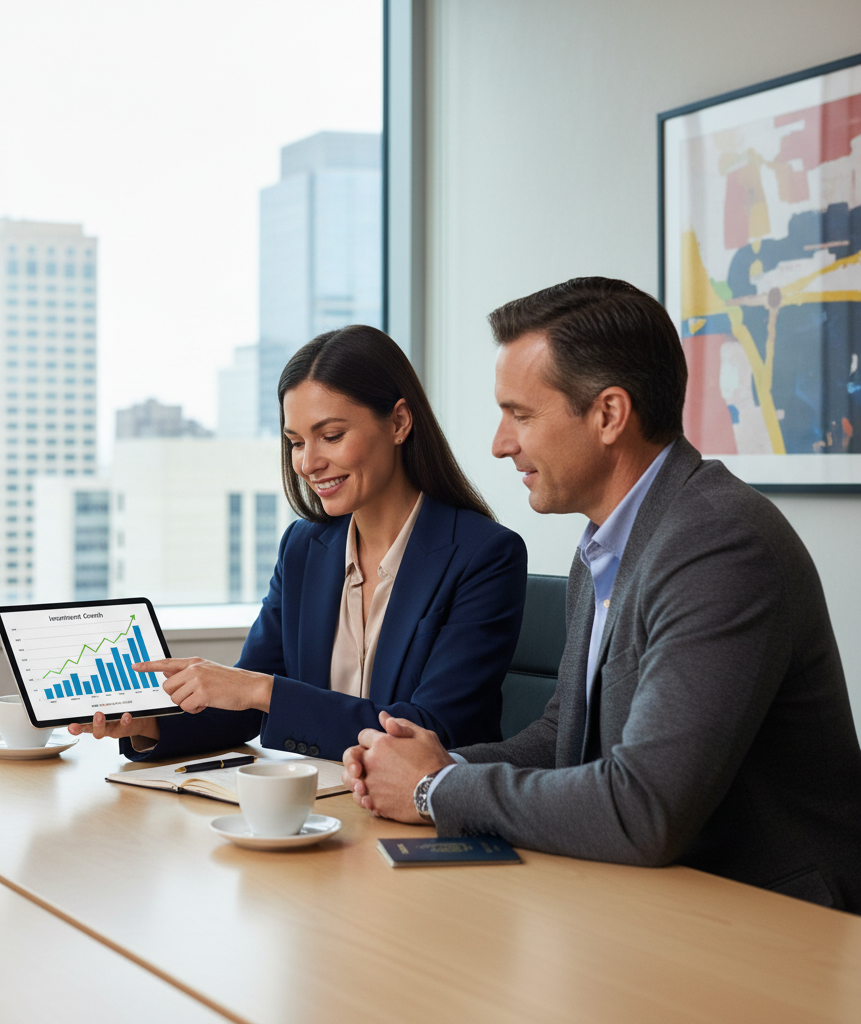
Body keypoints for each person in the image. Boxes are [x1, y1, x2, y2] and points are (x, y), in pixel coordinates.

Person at [343, 278, 861, 913]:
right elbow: (568, 735)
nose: (500, 443)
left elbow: (646, 807)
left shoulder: (719, 545)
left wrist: (438, 788)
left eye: (521, 414)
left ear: (609, 415)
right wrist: (429, 762)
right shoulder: (606, 542)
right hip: (657, 898)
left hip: (772, 921)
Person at [69, 324, 527, 762]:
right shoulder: (305, 548)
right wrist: (149, 725)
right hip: (318, 806)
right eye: (295, 442)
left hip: (422, 820)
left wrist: (260, 689)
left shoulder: (484, 556)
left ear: (399, 423)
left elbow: (430, 730)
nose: (308, 463)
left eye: (331, 436)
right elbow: (244, 709)